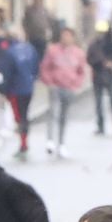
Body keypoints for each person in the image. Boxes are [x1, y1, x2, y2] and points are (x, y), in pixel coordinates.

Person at [37, 26, 87, 160]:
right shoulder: (53, 50)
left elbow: (81, 71)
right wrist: (49, 82)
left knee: (64, 116)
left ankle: (62, 143)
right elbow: (44, 67)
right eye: (64, 35)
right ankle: (50, 141)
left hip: (69, 87)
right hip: (55, 86)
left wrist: (76, 84)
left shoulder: (78, 53)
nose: (66, 38)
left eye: (68, 36)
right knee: (53, 113)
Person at [0, 31, 40, 160]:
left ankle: (23, 144)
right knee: (24, 115)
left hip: (16, 89)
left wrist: (3, 91)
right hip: (28, 87)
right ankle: (24, 142)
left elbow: (7, 73)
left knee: (19, 117)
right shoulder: (30, 49)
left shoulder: (10, 53)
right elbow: (36, 68)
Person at [89, 23, 112, 137]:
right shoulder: (94, 44)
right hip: (98, 77)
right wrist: (99, 62)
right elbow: (89, 58)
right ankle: (100, 127)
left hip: (110, 76)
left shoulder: (111, 44)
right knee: (99, 104)